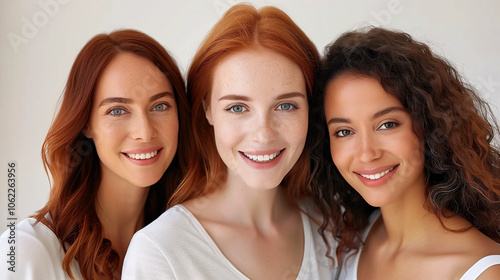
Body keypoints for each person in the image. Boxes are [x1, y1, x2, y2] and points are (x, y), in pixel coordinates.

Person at [122, 4, 337, 280]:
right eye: (237, 108)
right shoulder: (161, 252)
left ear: (311, 108)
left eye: (286, 106)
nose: (263, 134)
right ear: (208, 110)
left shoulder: (331, 228)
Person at [309, 27, 500, 280]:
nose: (366, 154)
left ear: (431, 127)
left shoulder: (483, 272)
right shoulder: (349, 241)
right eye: (344, 132)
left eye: (387, 124)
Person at [0, 29, 191, 279]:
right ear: (85, 123)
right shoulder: (26, 251)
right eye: (117, 111)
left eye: (159, 106)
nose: (144, 132)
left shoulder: (186, 242)